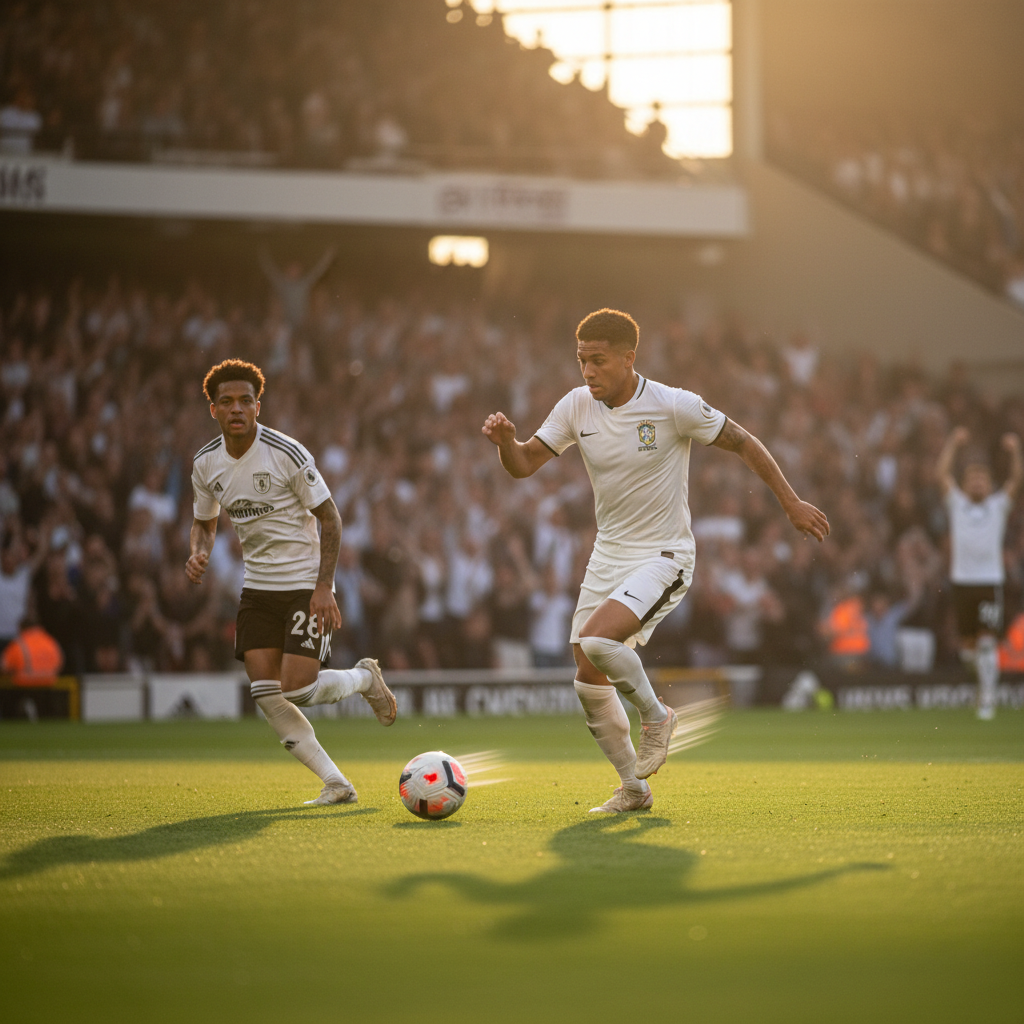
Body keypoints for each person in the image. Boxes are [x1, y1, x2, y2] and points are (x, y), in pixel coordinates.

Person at [482, 308, 829, 813]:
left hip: (665, 554)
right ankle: (634, 788)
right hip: (608, 554)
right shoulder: (576, 406)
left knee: (598, 640)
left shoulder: (672, 405)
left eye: (598, 360)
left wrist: (791, 502)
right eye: (581, 361)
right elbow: (524, 464)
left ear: (629, 358)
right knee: (587, 674)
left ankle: (658, 715)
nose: (588, 371)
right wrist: (505, 445)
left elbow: (743, 441)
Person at [186, 359, 396, 806]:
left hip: (304, 583)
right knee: (266, 693)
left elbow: (331, 519)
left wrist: (324, 586)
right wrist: (198, 551)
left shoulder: (286, 453)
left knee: (298, 688)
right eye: (227, 402)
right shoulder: (205, 463)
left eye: (246, 401)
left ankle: (364, 678)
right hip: (257, 589)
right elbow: (204, 522)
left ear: (258, 407)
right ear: (214, 410)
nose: (237, 408)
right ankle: (336, 783)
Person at [936, 428, 1022, 719]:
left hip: (988, 582)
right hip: (962, 583)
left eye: (982, 479)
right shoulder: (957, 504)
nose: (977, 483)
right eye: (972, 479)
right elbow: (941, 474)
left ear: (989, 485)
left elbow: (1016, 480)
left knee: (986, 643)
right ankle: (984, 683)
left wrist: (1014, 451)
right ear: (965, 484)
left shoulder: (997, 506)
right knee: (968, 652)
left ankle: (987, 699)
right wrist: (953, 443)